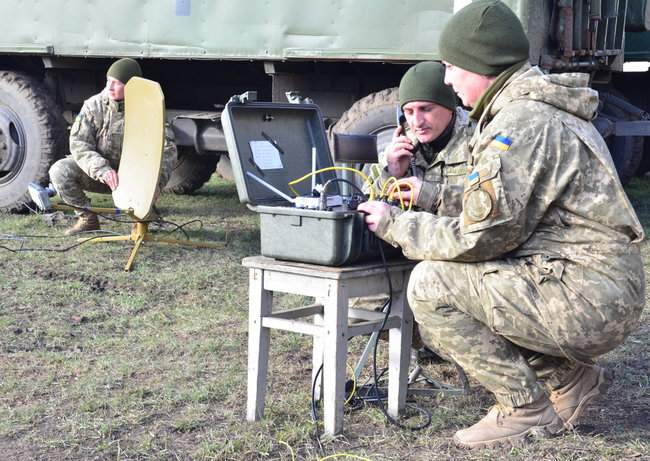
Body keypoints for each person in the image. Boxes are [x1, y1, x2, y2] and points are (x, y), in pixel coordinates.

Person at [358, 0, 645, 449]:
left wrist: (395, 224)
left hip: (585, 296)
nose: (448, 80)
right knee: (480, 282)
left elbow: (481, 237)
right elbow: (512, 206)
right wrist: (428, 196)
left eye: (453, 67)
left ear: (481, 62)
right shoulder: (534, 111)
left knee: (433, 284)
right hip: (592, 284)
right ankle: (570, 381)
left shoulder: (520, 122)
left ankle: (524, 408)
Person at [49, 58, 177, 235]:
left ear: (131, 86)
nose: (109, 87)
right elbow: (79, 144)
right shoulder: (94, 105)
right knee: (59, 171)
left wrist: (156, 184)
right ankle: (87, 219)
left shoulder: (148, 108)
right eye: (108, 80)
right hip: (102, 175)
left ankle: (145, 217)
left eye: (116, 83)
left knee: (143, 226)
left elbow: (167, 150)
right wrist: (102, 170)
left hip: (136, 179)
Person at [368, 61, 472, 216]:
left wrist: (429, 196)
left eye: (426, 109)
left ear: (449, 107)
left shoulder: (478, 139)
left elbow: (495, 208)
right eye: (409, 112)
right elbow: (366, 205)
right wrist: (392, 173)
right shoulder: (403, 145)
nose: (417, 122)